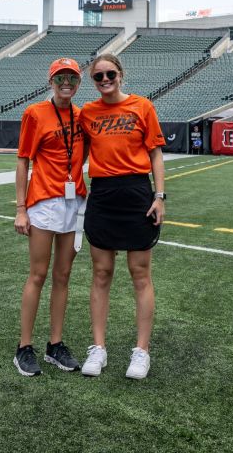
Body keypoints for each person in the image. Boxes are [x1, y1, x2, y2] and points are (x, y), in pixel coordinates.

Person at [77, 53, 166, 380]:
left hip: (136, 194)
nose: (104, 80)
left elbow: (155, 153)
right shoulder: (87, 112)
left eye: (109, 74)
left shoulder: (142, 106)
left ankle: (141, 351)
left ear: (120, 74)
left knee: (139, 273)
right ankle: (98, 348)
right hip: (102, 194)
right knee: (101, 272)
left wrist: (159, 196)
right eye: (98, 76)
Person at [11, 57, 87, 377]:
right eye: (60, 77)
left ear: (78, 82)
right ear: (51, 81)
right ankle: (23, 348)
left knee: (63, 275)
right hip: (43, 201)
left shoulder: (84, 116)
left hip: (74, 202)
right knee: (38, 274)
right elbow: (22, 161)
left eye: (71, 77)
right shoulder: (35, 113)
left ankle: (55, 345)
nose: (65, 82)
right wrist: (20, 208)